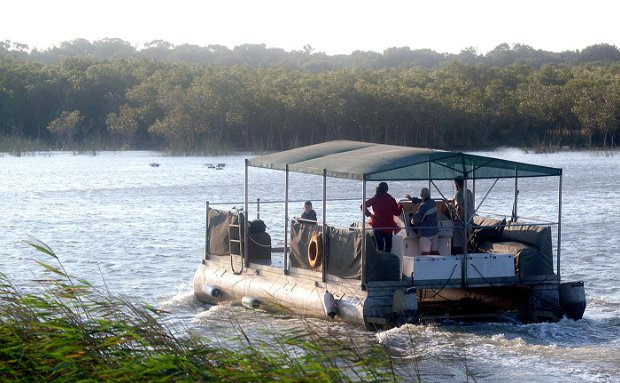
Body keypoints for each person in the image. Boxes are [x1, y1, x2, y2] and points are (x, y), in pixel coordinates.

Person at [362, 182, 402, 252]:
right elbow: (397, 213)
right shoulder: (391, 199)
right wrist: (400, 206)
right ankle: (387, 261)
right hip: (388, 227)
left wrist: (370, 215)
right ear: (387, 189)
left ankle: (380, 261)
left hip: (377, 226)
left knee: (380, 248)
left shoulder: (375, 199)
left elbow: (363, 205)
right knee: (388, 248)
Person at [406, 187, 439, 255]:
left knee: (425, 254)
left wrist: (412, 217)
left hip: (425, 234)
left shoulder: (423, 207)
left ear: (422, 196)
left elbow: (415, 221)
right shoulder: (433, 203)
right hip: (434, 231)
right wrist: (412, 199)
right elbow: (421, 201)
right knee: (435, 253)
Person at [451, 175, 474, 254]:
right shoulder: (469, 192)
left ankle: (460, 258)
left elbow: (460, 208)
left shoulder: (458, 194)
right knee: (466, 244)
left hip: (463, 222)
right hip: (471, 221)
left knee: (458, 244)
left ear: (456, 183)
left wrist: (458, 219)